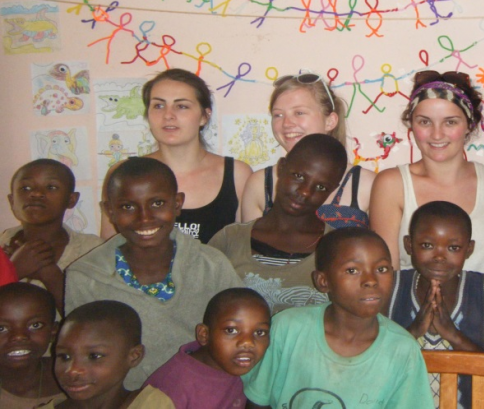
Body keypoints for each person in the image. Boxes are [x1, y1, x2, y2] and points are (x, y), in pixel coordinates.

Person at [65, 158, 242, 389]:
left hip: (204, 395)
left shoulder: (212, 266)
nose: (144, 217)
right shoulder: (85, 277)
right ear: (110, 211)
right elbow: (80, 355)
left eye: (157, 203)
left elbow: (240, 335)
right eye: (128, 206)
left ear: (177, 204)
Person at [242, 227, 434, 409]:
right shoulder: (288, 329)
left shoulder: (402, 350)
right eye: (352, 270)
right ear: (323, 281)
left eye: (382, 269)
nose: (371, 280)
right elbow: (257, 401)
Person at [371, 70, 484, 272]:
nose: (437, 134)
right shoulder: (392, 185)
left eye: (450, 122)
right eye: (425, 122)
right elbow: (386, 274)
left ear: (469, 124)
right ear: (412, 125)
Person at [100, 68, 252, 243]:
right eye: (158, 105)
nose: (168, 115)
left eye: (182, 106)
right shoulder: (122, 174)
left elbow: (245, 253)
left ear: (204, 116)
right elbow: (109, 252)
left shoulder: (237, 174)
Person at [388, 200, 484, 408]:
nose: (439, 257)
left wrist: (453, 335)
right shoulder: (392, 287)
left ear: (469, 249)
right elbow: (367, 366)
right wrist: (413, 331)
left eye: (453, 248)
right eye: (427, 245)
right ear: (409, 245)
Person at [209, 134, 348, 314]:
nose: (305, 192)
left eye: (321, 187)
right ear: (281, 168)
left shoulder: (338, 249)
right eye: (298, 176)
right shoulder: (229, 240)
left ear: (332, 190)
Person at [240, 71, 374, 228]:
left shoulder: (367, 184)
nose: (286, 123)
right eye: (278, 115)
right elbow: (246, 249)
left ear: (330, 121)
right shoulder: (260, 183)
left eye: (299, 112)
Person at [144, 287, 271, 408]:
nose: (248, 343)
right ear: (204, 335)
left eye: (260, 332)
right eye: (231, 330)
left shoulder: (231, 364)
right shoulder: (171, 387)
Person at [3, 159, 102, 313]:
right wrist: (13, 270)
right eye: (26, 188)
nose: (36, 193)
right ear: (12, 201)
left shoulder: (93, 250)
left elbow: (96, 322)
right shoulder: (2, 246)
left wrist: (50, 275)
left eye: (51, 187)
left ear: (71, 200)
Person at [46, 300, 174, 408]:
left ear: (134, 356)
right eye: (64, 357)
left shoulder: (151, 404)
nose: (73, 370)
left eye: (94, 356)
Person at [0, 283, 64, 409]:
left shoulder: (74, 378)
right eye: (1, 328)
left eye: (35, 325)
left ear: (53, 332)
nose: (19, 336)